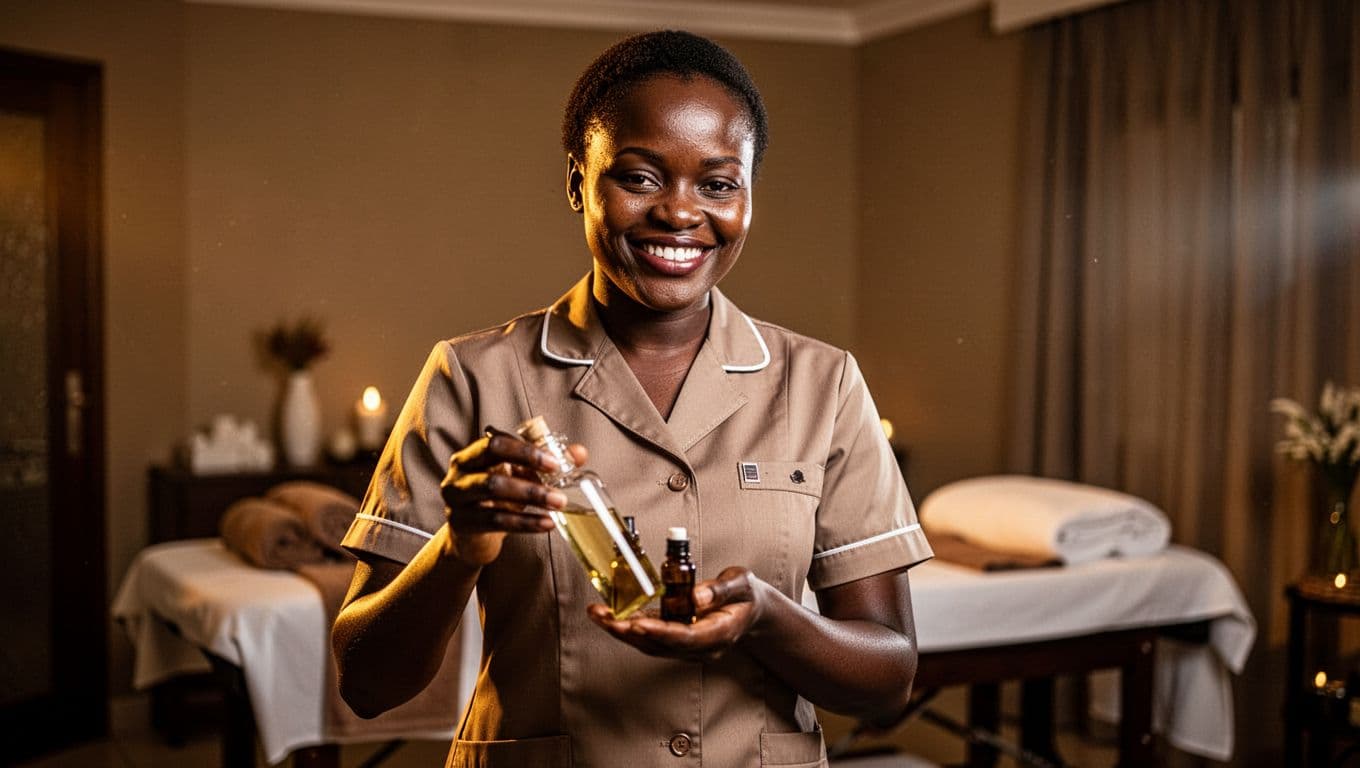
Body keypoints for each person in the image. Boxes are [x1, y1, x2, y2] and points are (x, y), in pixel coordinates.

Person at [332, 30, 933, 767]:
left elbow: (889, 679)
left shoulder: (822, 382)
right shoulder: (471, 375)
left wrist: (768, 618)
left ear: (748, 196)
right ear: (578, 183)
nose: (679, 214)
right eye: (640, 177)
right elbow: (366, 684)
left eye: (718, 183)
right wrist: (458, 547)